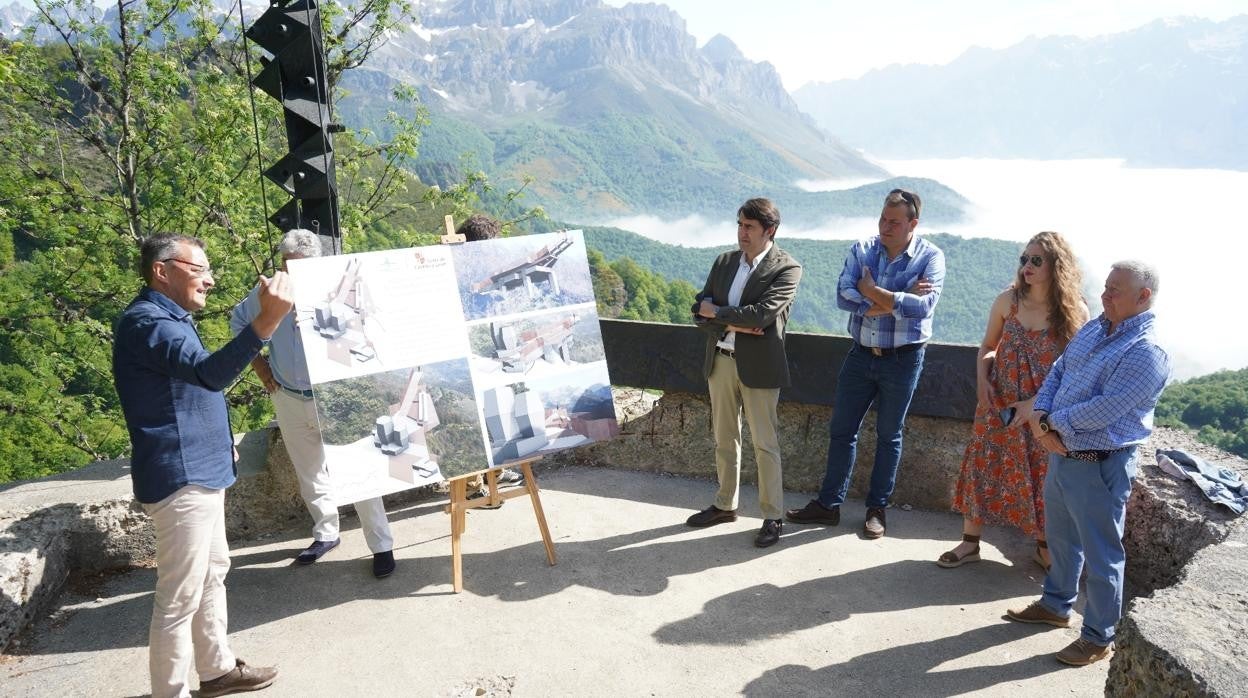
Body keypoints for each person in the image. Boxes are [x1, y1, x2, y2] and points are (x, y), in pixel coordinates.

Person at [113, 234, 286, 697]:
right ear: (162, 271)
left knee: (212, 571)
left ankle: (217, 669)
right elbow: (211, 374)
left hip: (201, 467)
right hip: (181, 474)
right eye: (199, 270)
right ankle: (169, 692)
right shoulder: (147, 323)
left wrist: (220, 437)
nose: (209, 280)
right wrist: (265, 323)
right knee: (179, 595)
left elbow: (188, 392)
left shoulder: (172, 318)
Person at [1006, 261, 1170, 667]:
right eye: (1107, 287)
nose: (1105, 295)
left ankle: (1098, 638)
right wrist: (1044, 418)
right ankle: (1055, 606)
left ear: (1143, 297)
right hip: (1063, 454)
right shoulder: (1097, 328)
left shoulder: (1146, 352)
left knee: (1101, 556)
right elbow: (1058, 371)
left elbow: (1106, 409)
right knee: (1061, 539)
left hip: (1100, 464)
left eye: (1116, 290)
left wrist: (1047, 423)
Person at [230, 229, 397, 578]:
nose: (291, 276)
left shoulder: (340, 291)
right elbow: (237, 321)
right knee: (309, 470)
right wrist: (260, 366)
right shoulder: (269, 291)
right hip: (288, 394)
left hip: (333, 397)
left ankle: (381, 545)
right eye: (287, 267)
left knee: (358, 469)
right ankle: (326, 532)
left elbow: (376, 328)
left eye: (300, 269)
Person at [785, 188, 943, 538]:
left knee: (889, 435)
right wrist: (895, 300)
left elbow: (923, 308)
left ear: (913, 223)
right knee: (842, 430)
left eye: (894, 222)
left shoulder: (931, 258)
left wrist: (870, 291)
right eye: (883, 219)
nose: (885, 226)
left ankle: (877, 510)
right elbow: (843, 295)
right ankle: (828, 505)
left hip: (903, 359)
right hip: (860, 354)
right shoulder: (862, 249)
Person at [938, 232, 1088, 569]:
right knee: (983, 464)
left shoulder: (1073, 310)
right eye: (1024, 259)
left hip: (1043, 408)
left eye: (1037, 260)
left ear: (1056, 266)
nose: (1027, 267)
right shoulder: (1009, 300)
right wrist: (983, 381)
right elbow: (988, 345)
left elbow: (1077, 372)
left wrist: (1034, 404)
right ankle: (970, 543)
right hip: (999, 401)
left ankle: (1044, 546)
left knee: (1042, 472)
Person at [686, 198, 803, 548]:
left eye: (749, 227)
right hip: (720, 359)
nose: (742, 233)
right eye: (739, 225)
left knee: (765, 444)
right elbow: (698, 309)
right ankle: (725, 504)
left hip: (761, 368)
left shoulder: (788, 268)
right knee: (724, 437)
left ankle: (772, 516)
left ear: (770, 231)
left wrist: (721, 314)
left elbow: (762, 316)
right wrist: (734, 320)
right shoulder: (724, 262)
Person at [455, 214, 525, 504]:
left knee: (494, 408)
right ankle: (472, 483)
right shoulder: (460, 273)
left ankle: (494, 471)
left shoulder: (474, 269)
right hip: (465, 354)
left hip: (485, 352)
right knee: (472, 416)